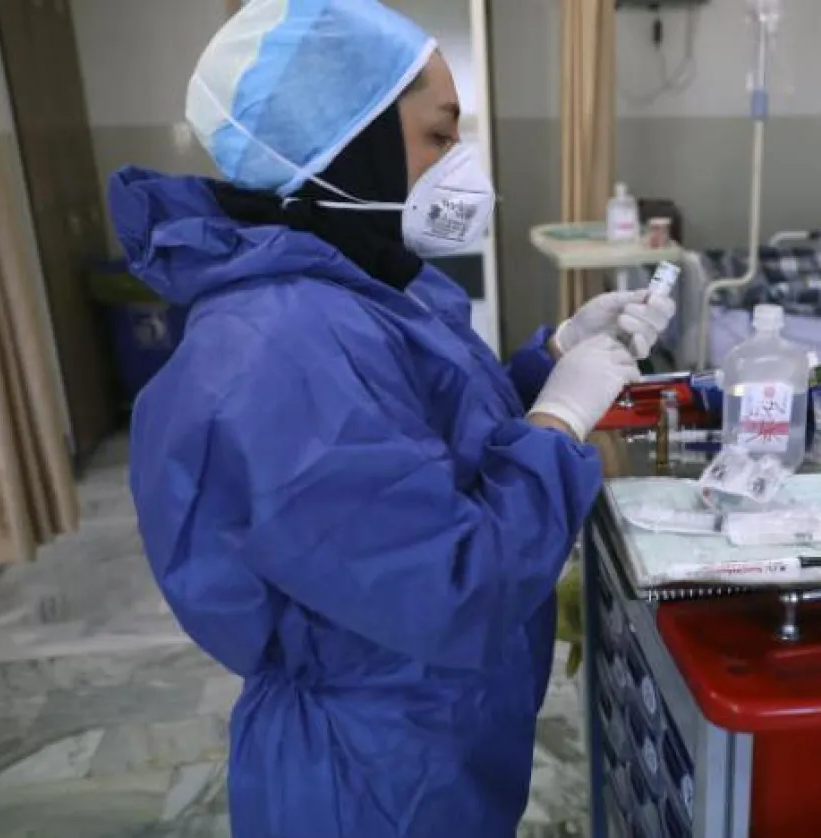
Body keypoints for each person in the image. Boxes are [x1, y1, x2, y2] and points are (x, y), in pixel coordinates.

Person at [108, 2, 673, 835]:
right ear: (348, 144)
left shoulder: (355, 285)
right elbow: (456, 582)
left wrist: (554, 355)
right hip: (371, 778)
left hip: (427, 729)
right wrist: (558, 420)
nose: (460, 165)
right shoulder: (280, 352)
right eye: (439, 136)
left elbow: (422, 439)